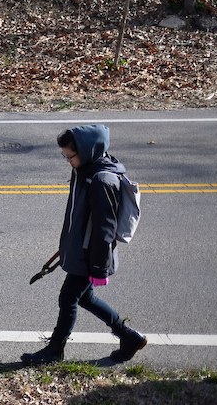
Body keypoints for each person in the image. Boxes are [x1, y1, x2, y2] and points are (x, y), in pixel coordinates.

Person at [22, 125, 147, 365]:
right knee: (85, 298)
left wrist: (99, 268)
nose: (68, 161)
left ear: (87, 151)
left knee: (68, 297)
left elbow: (104, 229)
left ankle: (54, 351)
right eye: (65, 156)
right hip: (81, 250)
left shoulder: (101, 180)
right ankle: (129, 337)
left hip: (91, 255)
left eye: (70, 156)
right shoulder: (86, 170)